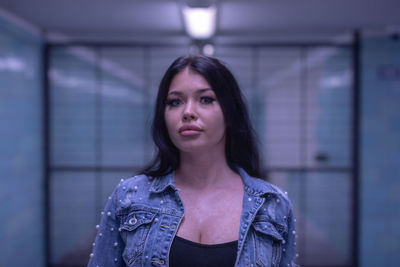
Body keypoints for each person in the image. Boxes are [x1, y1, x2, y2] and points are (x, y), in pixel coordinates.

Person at [88, 55, 298, 267]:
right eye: (175, 102)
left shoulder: (272, 204)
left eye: (206, 99)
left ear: (230, 113)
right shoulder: (129, 197)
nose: (188, 112)